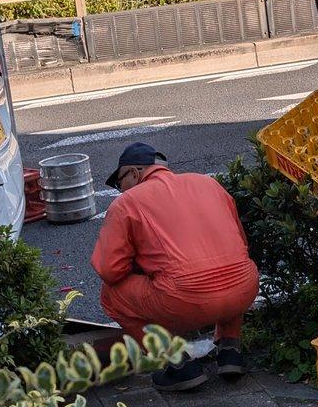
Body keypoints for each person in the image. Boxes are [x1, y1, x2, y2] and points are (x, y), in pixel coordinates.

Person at [92, 142, 259, 393]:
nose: (120, 190)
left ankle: (178, 364)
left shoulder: (127, 203)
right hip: (245, 289)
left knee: (111, 296)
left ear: (135, 173)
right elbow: (241, 243)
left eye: (120, 182)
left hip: (185, 298)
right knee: (228, 264)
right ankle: (230, 350)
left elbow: (109, 270)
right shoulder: (209, 184)